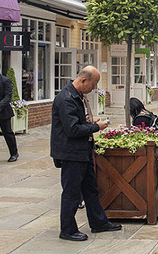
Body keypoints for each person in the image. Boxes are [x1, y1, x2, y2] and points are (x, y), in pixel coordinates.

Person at [50, 66, 121, 242]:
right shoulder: (66, 99)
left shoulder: (77, 96)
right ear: (83, 80)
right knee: (72, 192)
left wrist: (90, 121)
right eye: (93, 84)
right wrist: (97, 127)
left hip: (83, 151)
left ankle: (99, 222)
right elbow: (72, 129)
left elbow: (77, 122)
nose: (93, 88)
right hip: (71, 153)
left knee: (90, 189)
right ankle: (67, 229)